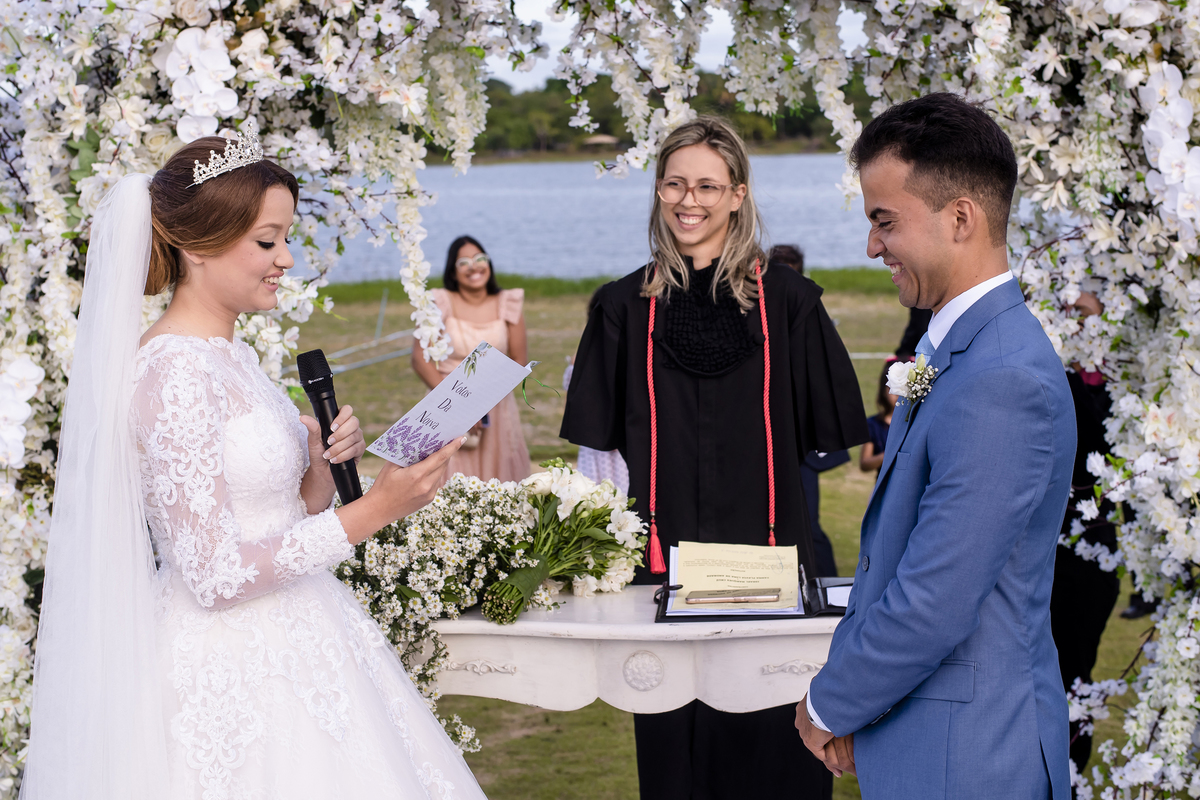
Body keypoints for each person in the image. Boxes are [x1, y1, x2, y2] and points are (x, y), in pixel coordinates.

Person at [20, 125, 481, 799]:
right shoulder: (173, 371)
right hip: (229, 665)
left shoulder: (230, 355)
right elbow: (212, 573)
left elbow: (282, 515)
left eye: (287, 238)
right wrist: (373, 511)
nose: (286, 259)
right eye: (267, 241)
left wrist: (322, 468)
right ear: (196, 246)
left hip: (302, 627)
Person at [560, 116, 868, 800]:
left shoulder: (789, 306)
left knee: (777, 762)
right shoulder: (620, 309)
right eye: (673, 184)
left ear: (738, 193)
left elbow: (826, 436)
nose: (687, 199)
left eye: (706, 184)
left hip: (772, 575)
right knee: (679, 771)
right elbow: (598, 460)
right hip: (663, 582)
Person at [795, 93, 1075, 799]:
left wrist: (829, 702)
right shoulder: (958, 350)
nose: (871, 245)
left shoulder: (1002, 377)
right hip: (933, 741)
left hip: (973, 758)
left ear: (960, 218)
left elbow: (935, 598)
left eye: (884, 221)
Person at [1051, 291, 1120, 772]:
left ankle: (1070, 768)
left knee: (1077, 666)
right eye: (1071, 315)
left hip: (1092, 540)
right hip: (1048, 537)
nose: (1078, 326)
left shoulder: (1119, 385)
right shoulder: (1049, 373)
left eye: (1086, 316)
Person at [413, 235, 531, 483]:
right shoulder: (437, 303)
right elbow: (420, 359)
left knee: (499, 482)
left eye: (479, 258)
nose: (474, 266)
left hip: (495, 406)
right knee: (445, 481)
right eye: (463, 262)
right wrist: (462, 406)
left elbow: (519, 360)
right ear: (453, 272)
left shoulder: (508, 303)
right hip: (446, 401)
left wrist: (481, 403)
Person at [769, 243, 844, 576]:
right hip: (768, 440)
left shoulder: (810, 311)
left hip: (802, 445)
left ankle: (823, 585)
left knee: (808, 524)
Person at [563, 290, 630, 493]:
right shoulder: (581, 360)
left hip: (624, 443)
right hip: (596, 442)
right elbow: (576, 405)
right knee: (594, 494)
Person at [859, 360, 897, 474]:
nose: (897, 393)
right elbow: (864, 463)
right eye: (891, 388)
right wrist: (887, 455)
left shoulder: (916, 422)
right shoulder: (873, 424)